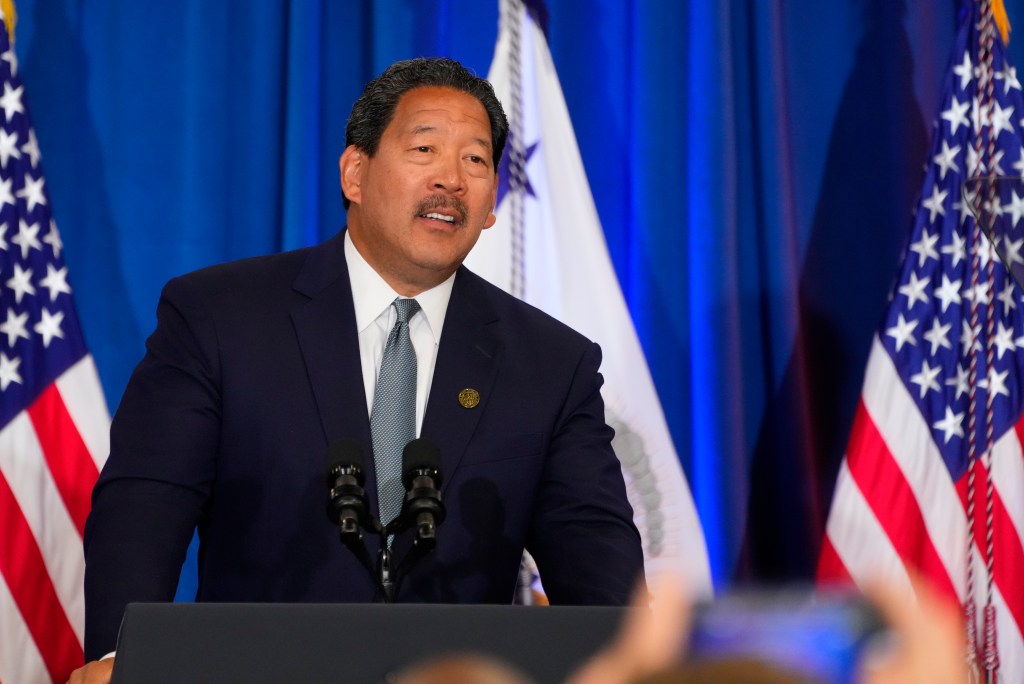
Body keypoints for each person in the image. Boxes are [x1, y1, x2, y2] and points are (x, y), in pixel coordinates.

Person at [69, 57, 643, 683]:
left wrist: (633, 664)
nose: (451, 179)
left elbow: (596, 557)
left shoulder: (552, 364)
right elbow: (145, 504)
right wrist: (116, 659)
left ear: (491, 206)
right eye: (425, 148)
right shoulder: (220, 318)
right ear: (355, 173)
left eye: (476, 161)